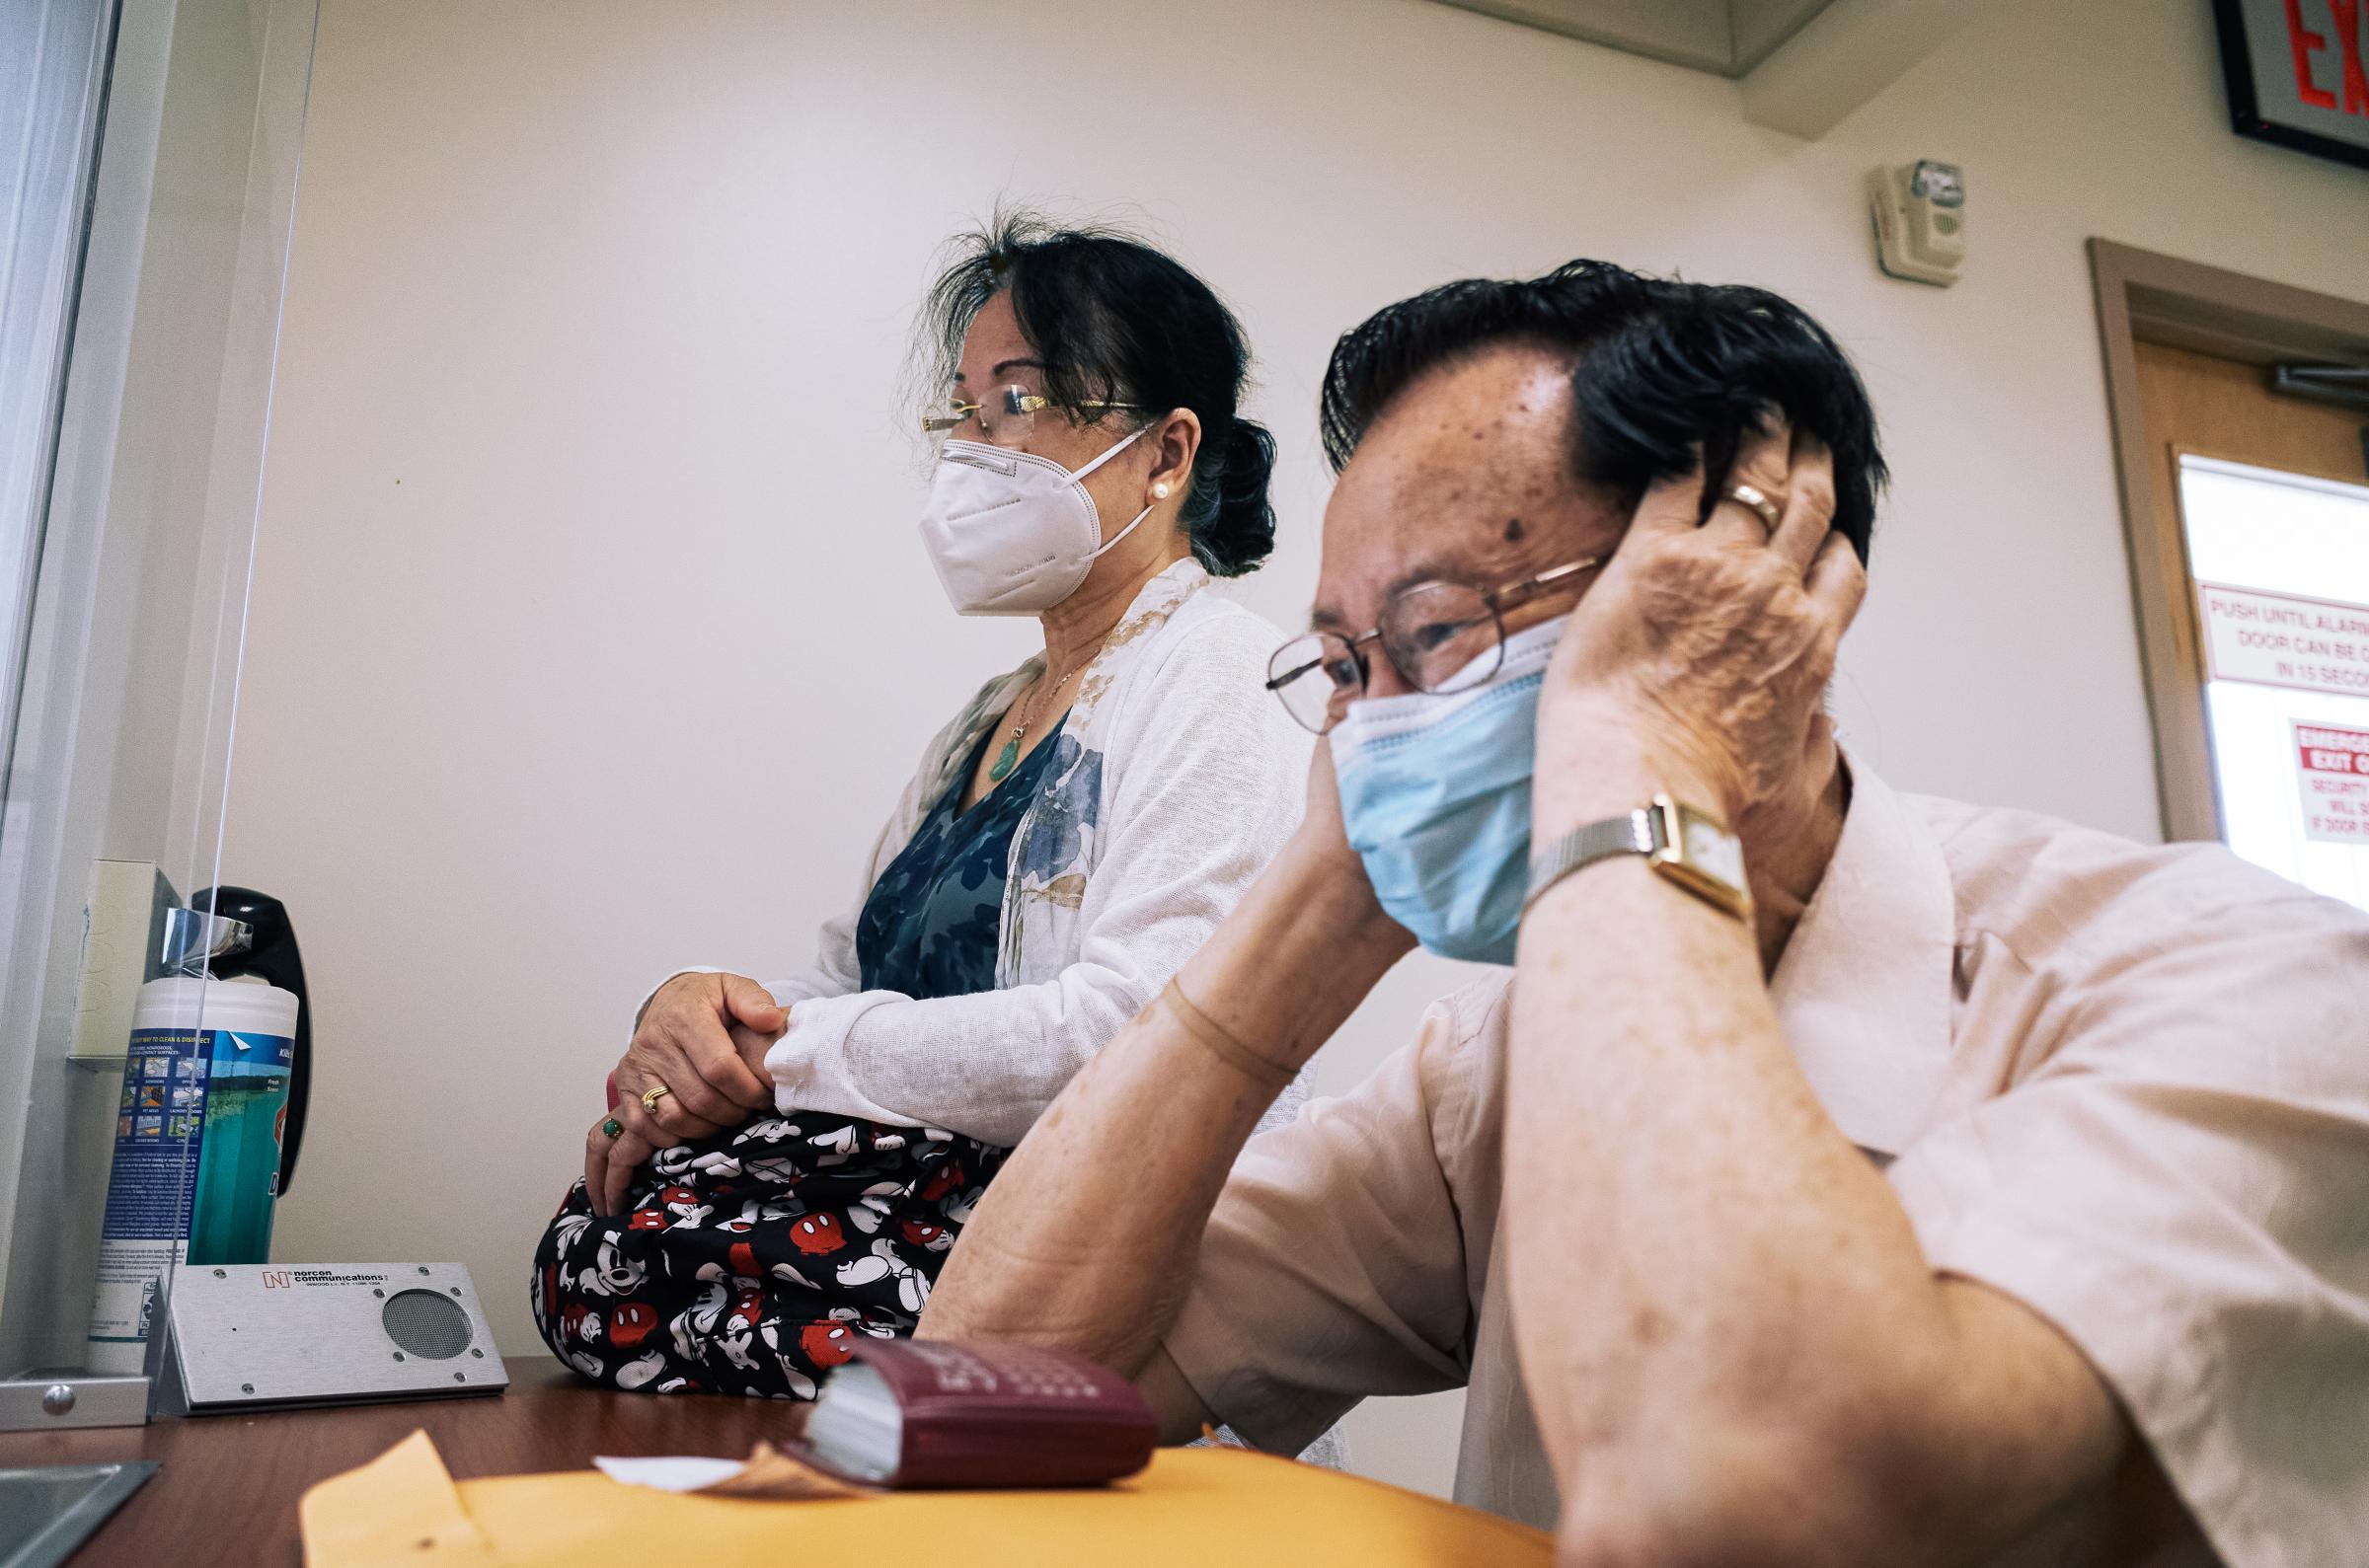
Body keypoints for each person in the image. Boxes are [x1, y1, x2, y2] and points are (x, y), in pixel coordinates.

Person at [920, 261, 2369, 1565]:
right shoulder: (1487, 1075)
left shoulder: (2246, 986)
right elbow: (998, 1377)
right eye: (1344, 671)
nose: (1372, 731)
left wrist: (1645, 752)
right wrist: (1322, 894)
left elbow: (1750, 1504)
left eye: (1432, 634)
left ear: (1747, 590)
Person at [531, 215, 1314, 1402]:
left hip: (1090, 1271)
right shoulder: (988, 718)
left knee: (646, 1258)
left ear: (1167, 454)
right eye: (963, 409)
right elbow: (841, 981)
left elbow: (1134, 1041)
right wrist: (693, 1020)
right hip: (925, 1214)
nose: (971, 450)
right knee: (603, 1234)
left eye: (1018, 402)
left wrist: (781, 1052)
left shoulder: (1222, 679)